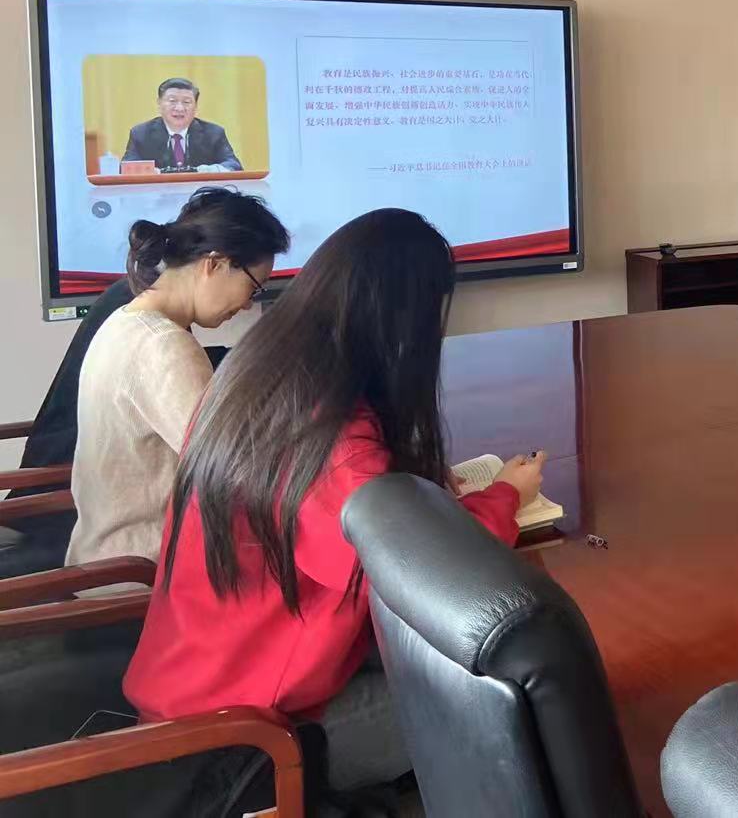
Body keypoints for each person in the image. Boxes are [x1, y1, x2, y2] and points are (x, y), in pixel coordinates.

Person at [122, 209, 547, 806]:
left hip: (201, 682)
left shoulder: (263, 374)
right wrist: (504, 496)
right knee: (522, 707)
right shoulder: (330, 438)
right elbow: (426, 577)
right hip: (248, 742)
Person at [65, 187, 290, 568]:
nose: (247, 304)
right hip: (139, 572)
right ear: (214, 263)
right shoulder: (163, 345)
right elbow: (233, 469)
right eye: (253, 287)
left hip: (105, 554)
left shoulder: (126, 319)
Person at [122, 77, 242, 172]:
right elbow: (126, 168)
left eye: (186, 102)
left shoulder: (213, 133)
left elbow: (233, 165)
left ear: (196, 106)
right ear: (159, 103)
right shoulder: (141, 134)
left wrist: (208, 170)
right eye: (172, 101)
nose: (179, 108)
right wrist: (152, 172)